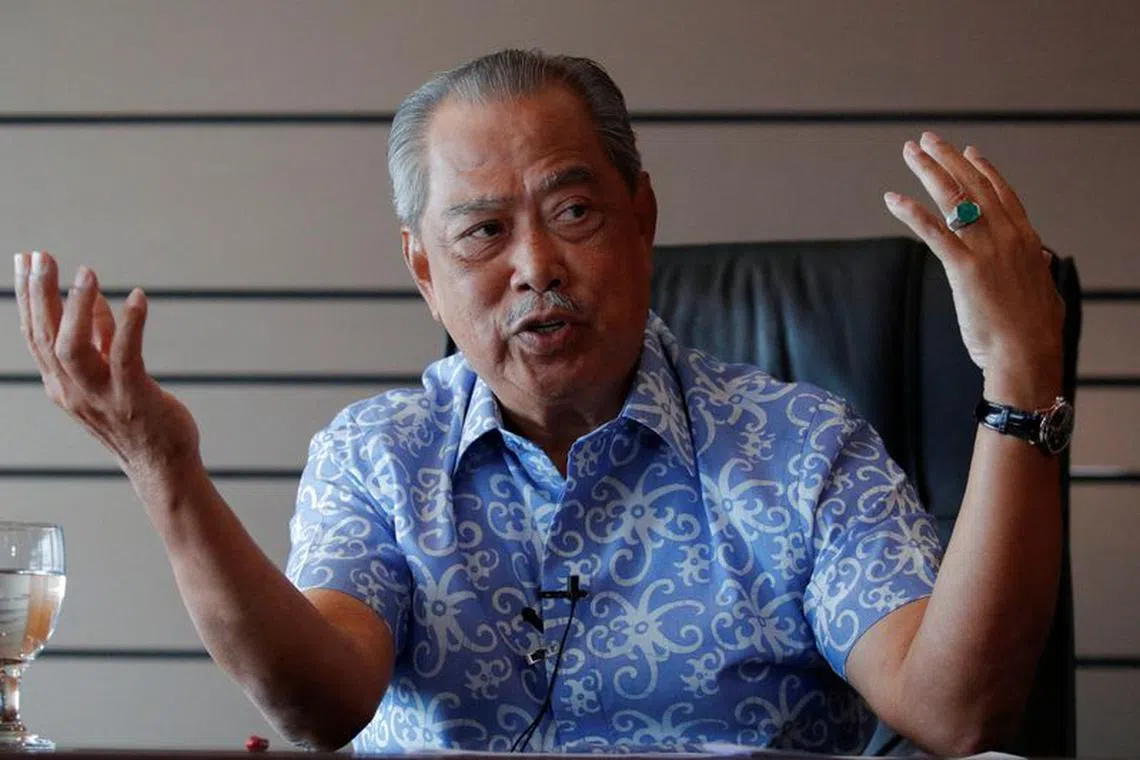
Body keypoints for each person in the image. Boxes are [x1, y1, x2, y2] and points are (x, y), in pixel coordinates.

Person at [13, 49, 1070, 755]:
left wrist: (1020, 376)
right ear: (424, 269)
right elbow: (319, 702)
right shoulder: (378, 457)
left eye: (573, 210)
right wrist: (167, 472)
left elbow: (959, 708)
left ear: (642, 216)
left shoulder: (802, 449)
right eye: (481, 233)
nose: (536, 267)